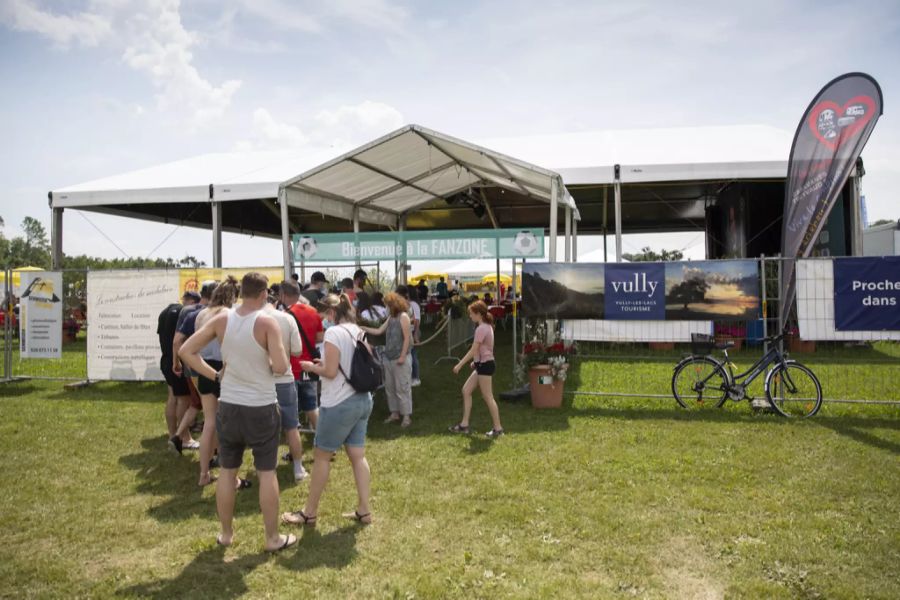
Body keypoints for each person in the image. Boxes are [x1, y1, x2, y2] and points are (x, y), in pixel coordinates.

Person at [179, 272, 296, 552]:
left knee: (228, 472)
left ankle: (227, 534)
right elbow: (281, 367)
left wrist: (216, 375)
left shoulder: (222, 319)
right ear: (264, 293)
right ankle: (272, 538)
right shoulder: (267, 322)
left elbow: (186, 350)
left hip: (229, 406)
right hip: (261, 406)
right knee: (266, 472)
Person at [282, 294, 374, 527]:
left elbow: (331, 372)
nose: (322, 321)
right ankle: (365, 510)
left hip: (339, 403)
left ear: (332, 313)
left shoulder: (334, 332)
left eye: (323, 316)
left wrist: (312, 367)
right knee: (358, 456)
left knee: (322, 456)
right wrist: (321, 365)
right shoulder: (357, 329)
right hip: (362, 399)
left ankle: (309, 512)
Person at [193, 277, 238, 487]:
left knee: (209, 422)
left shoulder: (202, 313)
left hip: (203, 367)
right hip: (222, 369)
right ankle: (228, 469)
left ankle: (204, 472)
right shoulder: (228, 315)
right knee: (225, 423)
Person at [264, 290, 306, 481]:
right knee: (292, 425)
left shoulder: (249, 319)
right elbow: (297, 350)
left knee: (265, 428)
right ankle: (298, 467)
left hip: (260, 381)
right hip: (284, 378)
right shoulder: (287, 319)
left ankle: (267, 469)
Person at [449, 300, 504, 438]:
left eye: (471, 314)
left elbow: (474, 349)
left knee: (488, 396)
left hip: (485, 366)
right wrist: (476, 362)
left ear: (479, 314)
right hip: (483, 364)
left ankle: (498, 429)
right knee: (466, 390)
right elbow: (482, 349)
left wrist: (459, 364)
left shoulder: (482, 328)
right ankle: (464, 425)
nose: (470, 316)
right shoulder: (486, 326)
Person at [360, 292, 412, 427]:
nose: (386, 307)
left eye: (387, 305)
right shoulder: (391, 317)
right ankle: (394, 413)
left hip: (400, 358)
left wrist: (402, 356)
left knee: (402, 388)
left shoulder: (404, 317)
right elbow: (378, 331)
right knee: (390, 387)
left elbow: (407, 338)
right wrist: (362, 327)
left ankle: (406, 416)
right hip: (389, 357)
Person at [282, 280, 324, 432]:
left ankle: (294, 449)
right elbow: (320, 337)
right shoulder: (313, 312)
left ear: (283, 295)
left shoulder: (285, 315)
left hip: (291, 367)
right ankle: (324, 442)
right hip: (309, 367)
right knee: (312, 407)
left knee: (291, 409)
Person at [157, 297, 195, 450]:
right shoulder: (183, 314)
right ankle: (184, 437)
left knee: (172, 398)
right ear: (191, 301)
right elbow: (178, 341)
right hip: (177, 362)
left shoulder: (164, 313)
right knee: (184, 400)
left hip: (166, 360)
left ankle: (173, 434)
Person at [398, 286, 422, 387]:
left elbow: (416, 320)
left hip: (412, 331)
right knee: (411, 354)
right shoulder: (412, 304)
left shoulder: (412, 304)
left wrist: (415, 334)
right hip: (410, 331)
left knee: (413, 355)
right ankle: (410, 376)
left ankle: (416, 377)